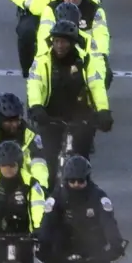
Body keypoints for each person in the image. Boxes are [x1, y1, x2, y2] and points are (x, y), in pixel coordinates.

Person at [27, 20, 111, 186]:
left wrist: (103, 111)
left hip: (79, 115)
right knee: (49, 166)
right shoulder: (43, 61)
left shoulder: (85, 60)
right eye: (56, 41)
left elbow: (96, 85)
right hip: (50, 115)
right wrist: (36, 106)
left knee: (81, 162)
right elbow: (34, 84)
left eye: (64, 41)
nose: (59, 45)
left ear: (72, 43)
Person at [37, 156, 126, 263]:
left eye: (80, 181)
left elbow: (108, 222)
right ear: (66, 181)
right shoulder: (56, 198)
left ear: (87, 179)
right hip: (64, 250)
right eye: (72, 181)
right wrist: (42, 245)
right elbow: (48, 223)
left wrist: (116, 244)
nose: (76, 184)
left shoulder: (98, 197)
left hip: (93, 250)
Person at [36, 0, 111, 79]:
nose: (71, 1)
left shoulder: (94, 10)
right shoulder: (51, 9)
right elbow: (43, 35)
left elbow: (101, 37)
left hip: (85, 55)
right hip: (58, 53)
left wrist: (101, 57)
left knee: (106, 74)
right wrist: (44, 56)